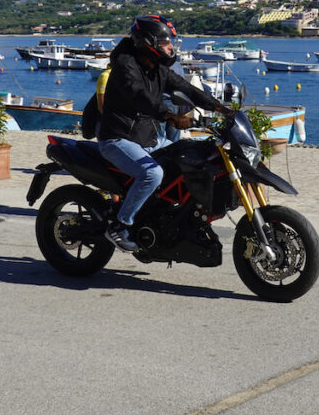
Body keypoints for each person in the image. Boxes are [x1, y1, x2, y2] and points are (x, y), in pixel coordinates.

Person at [98, 15, 231, 252]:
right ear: (149, 42)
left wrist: (220, 108)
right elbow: (140, 96)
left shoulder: (158, 70)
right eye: (166, 42)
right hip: (117, 138)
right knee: (152, 174)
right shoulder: (125, 66)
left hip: (146, 138)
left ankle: (168, 218)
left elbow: (186, 88)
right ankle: (119, 226)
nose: (171, 47)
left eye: (171, 43)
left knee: (185, 158)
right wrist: (170, 116)